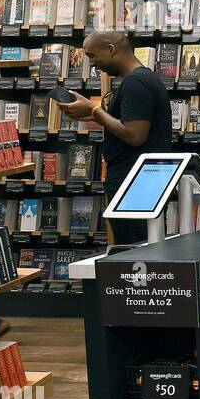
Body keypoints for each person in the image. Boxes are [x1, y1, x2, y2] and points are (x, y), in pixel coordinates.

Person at [56, 30, 172, 245]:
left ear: (111, 49)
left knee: (134, 249)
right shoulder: (142, 79)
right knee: (142, 245)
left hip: (135, 181)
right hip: (141, 179)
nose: (92, 64)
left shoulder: (136, 83)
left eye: (92, 56)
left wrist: (94, 111)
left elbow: (135, 135)